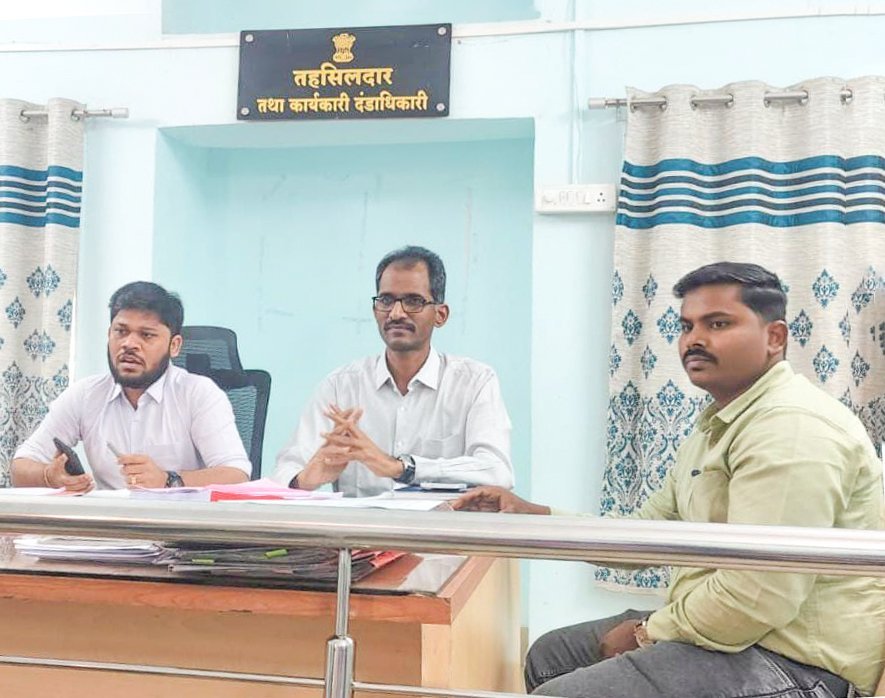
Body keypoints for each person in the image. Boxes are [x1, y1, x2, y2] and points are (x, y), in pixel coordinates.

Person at [454, 262, 885, 697]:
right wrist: (533, 515)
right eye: (686, 326)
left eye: (718, 324)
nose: (694, 339)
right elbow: (645, 534)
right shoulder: (720, 423)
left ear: (774, 337)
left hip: (799, 666)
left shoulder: (791, 428)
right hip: (744, 634)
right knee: (552, 655)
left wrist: (646, 633)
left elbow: (758, 596)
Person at [274, 245, 513, 497]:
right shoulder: (340, 386)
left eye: (413, 301)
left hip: (440, 521)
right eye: (386, 301)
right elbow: (283, 473)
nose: (396, 314)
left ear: (440, 315)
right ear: (375, 310)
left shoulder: (474, 383)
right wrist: (305, 479)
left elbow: (498, 471)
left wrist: (402, 468)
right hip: (359, 523)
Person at [12, 281, 251, 491]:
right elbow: (20, 466)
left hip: (177, 525)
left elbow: (236, 475)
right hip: (110, 524)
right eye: (121, 332)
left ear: (174, 345)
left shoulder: (198, 394)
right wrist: (49, 476)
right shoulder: (85, 395)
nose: (129, 344)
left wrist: (168, 480)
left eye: (146, 335)